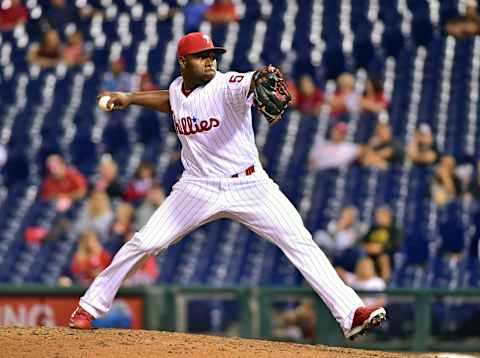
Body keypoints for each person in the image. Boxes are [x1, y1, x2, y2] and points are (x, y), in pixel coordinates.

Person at [69, 32, 386, 340]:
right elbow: (171, 101)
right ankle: (88, 307)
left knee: (300, 241)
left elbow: (246, 82)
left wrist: (257, 80)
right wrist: (130, 98)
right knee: (144, 242)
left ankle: (352, 313)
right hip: (197, 187)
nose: (210, 61)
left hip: (250, 185)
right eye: (202, 56)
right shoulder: (179, 89)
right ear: (183, 62)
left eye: (212, 56)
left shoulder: (227, 85)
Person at [362, 206, 401, 282]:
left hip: (387, 257)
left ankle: (383, 284)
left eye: (381, 216)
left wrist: (380, 248)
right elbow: (363, 242)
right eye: (378, 216)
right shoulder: (373, 229)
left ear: (388, 217)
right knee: (365, 261)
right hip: (370, 255)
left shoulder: (394, 230)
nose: (378, 218)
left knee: (383, 258)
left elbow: (395, 245)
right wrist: (368, 247)